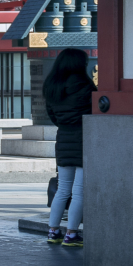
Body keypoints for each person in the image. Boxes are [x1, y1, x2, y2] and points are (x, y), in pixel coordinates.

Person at [42, 48, 93, 246]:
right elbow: (94, 110)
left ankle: (53, 231)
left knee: (63, 189)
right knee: (79, 191)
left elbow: (52, 115)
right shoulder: (84, 85)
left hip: (63, 137)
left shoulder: (52, 85)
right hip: (83, 138)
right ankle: (71, 234)